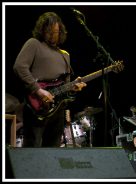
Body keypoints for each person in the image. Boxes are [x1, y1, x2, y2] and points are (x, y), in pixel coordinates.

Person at [13, 12, 87, 147]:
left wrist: (74, 88)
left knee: (52, 153)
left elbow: (66, 85)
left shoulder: (65, 55)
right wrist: (39, 91)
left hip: (57, 110)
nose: (53, 36)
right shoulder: (34, 44)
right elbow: (19, 67)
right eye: (49, 32)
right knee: (32, 150)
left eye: (56, 32)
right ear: (42, 30)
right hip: (36, 105)